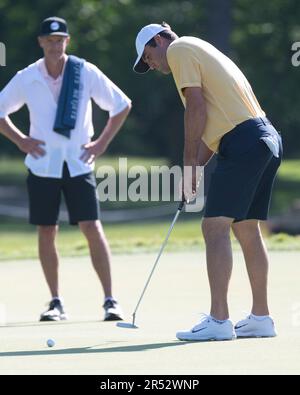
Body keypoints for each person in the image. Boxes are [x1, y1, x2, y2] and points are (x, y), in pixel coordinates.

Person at [133, 22, 282, 341]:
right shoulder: (199, 48)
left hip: (244, 142)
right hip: (264, 139)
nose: (151, 64)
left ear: (159, 40)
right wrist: (195, 170)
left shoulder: (179, 50)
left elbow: (196, 109)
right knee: (245, 227)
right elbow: (212, 131)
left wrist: (187, 164)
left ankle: (218, 320)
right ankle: (261, 317)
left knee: (213, 227)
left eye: (148, 56)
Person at [0, 17, 132, 322]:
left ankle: (111, 300)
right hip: (43, 165)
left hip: (78, 163)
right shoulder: (27, 77)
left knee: (92, 227)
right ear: (41, 42)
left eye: (60, 40)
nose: (55, 45)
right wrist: (20, 140)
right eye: (49, 40)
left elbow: (121, 105)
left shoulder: (84, 71)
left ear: (67, 42)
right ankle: (56, 302)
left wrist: (101, 143)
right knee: (47, 230)